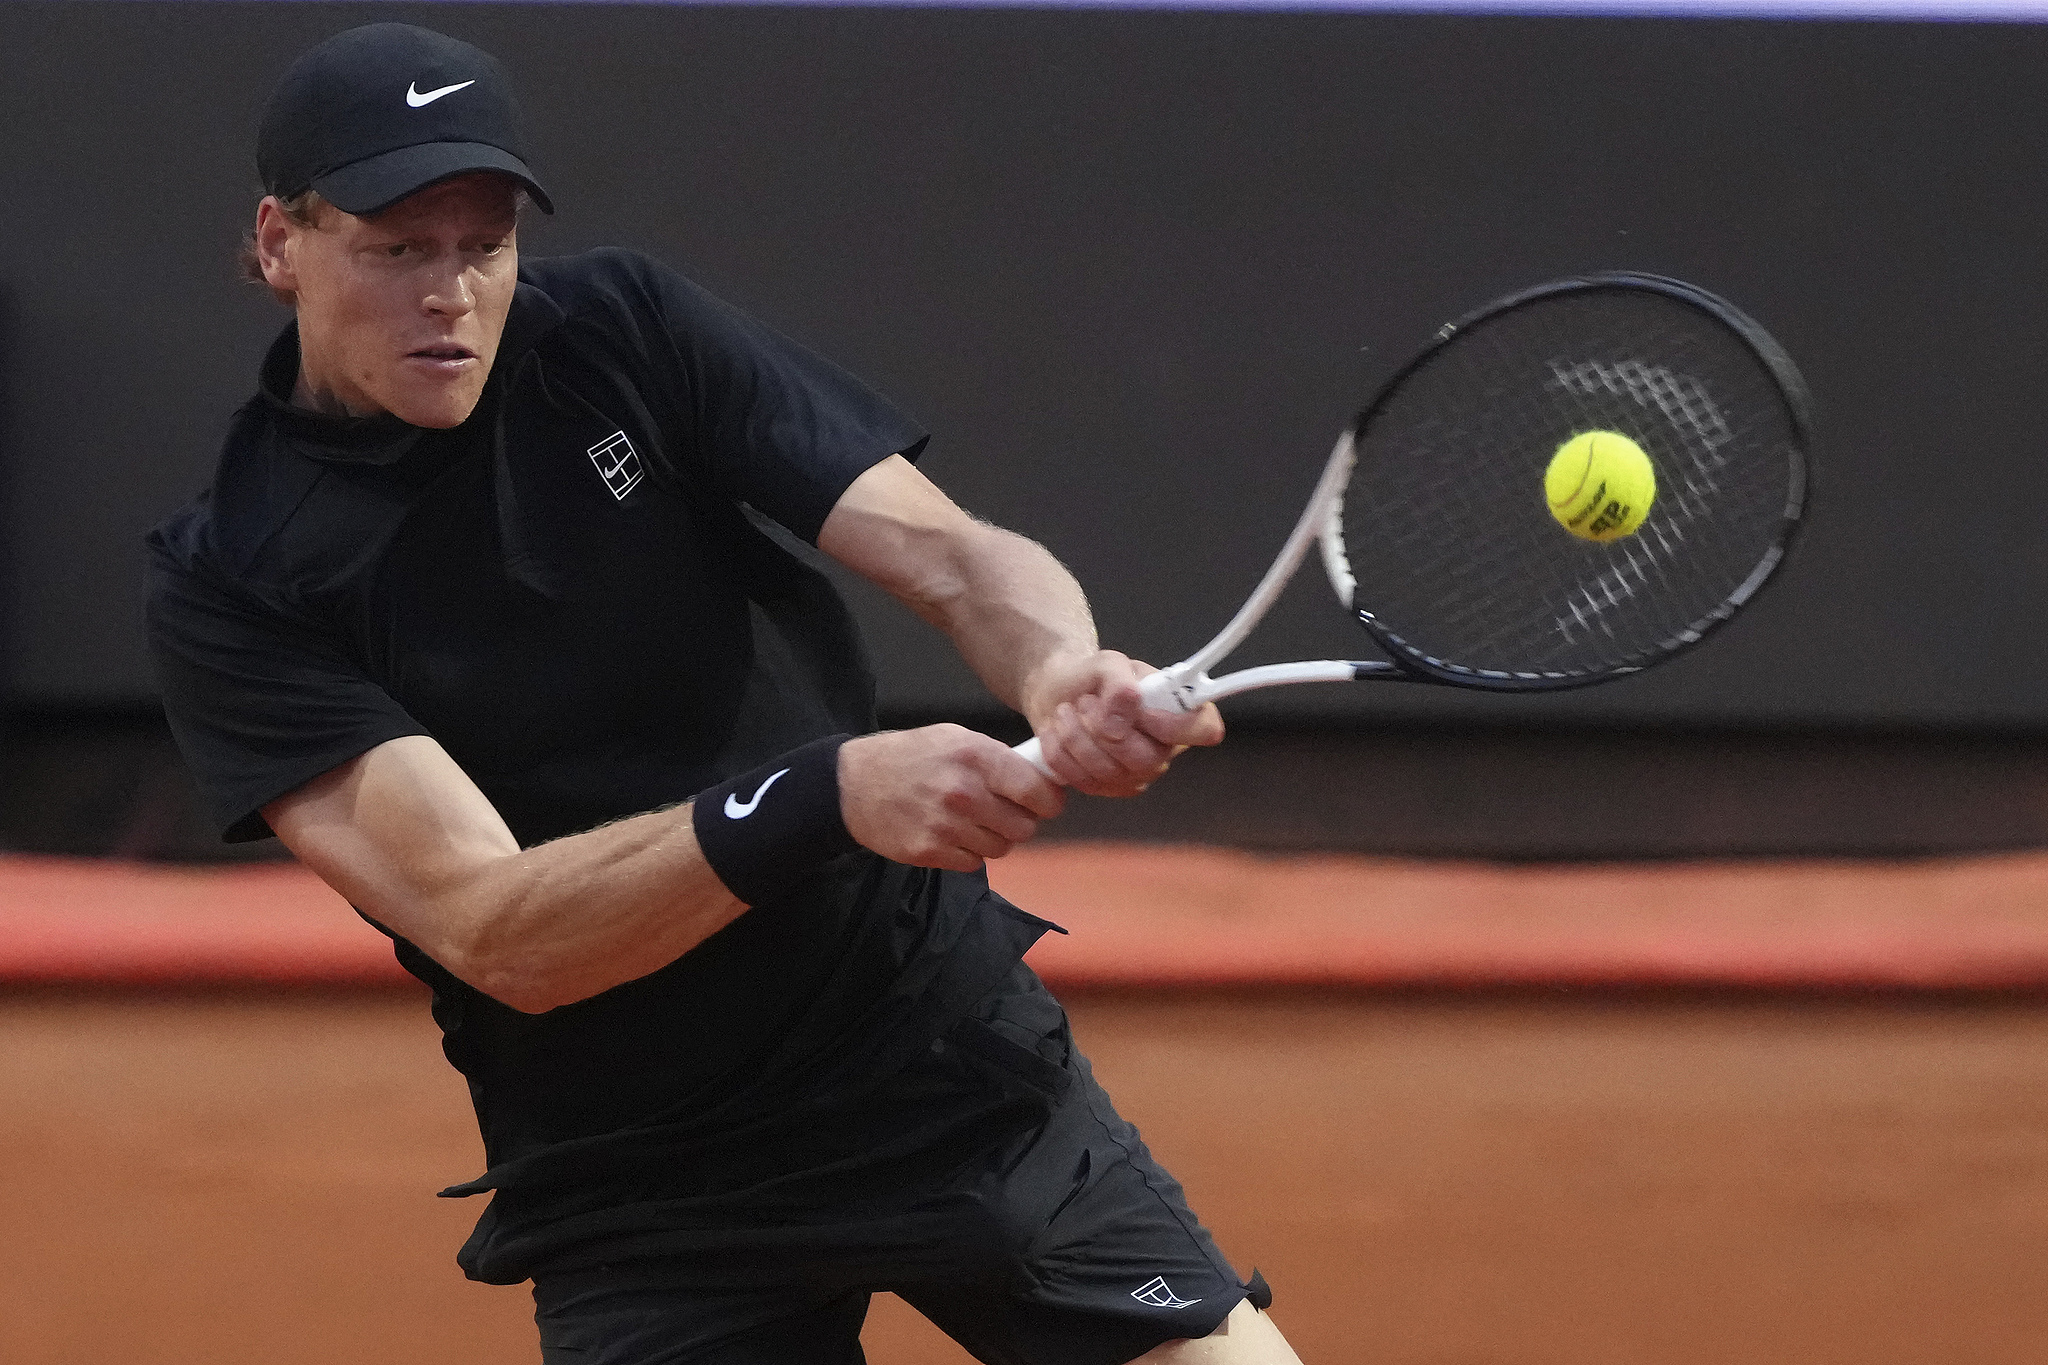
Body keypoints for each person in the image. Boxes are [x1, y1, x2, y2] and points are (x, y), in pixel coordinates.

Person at [147, 22, 1302, 1365]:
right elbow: (495, 924)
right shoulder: (233, 578)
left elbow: (951, 553)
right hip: (643, 1180)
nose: (450, 294)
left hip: (928, 1055)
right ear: (282, 242)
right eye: (398, 248)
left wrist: (1059, 666)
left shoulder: (622, 330)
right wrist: (828, 794)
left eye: (484, 245)